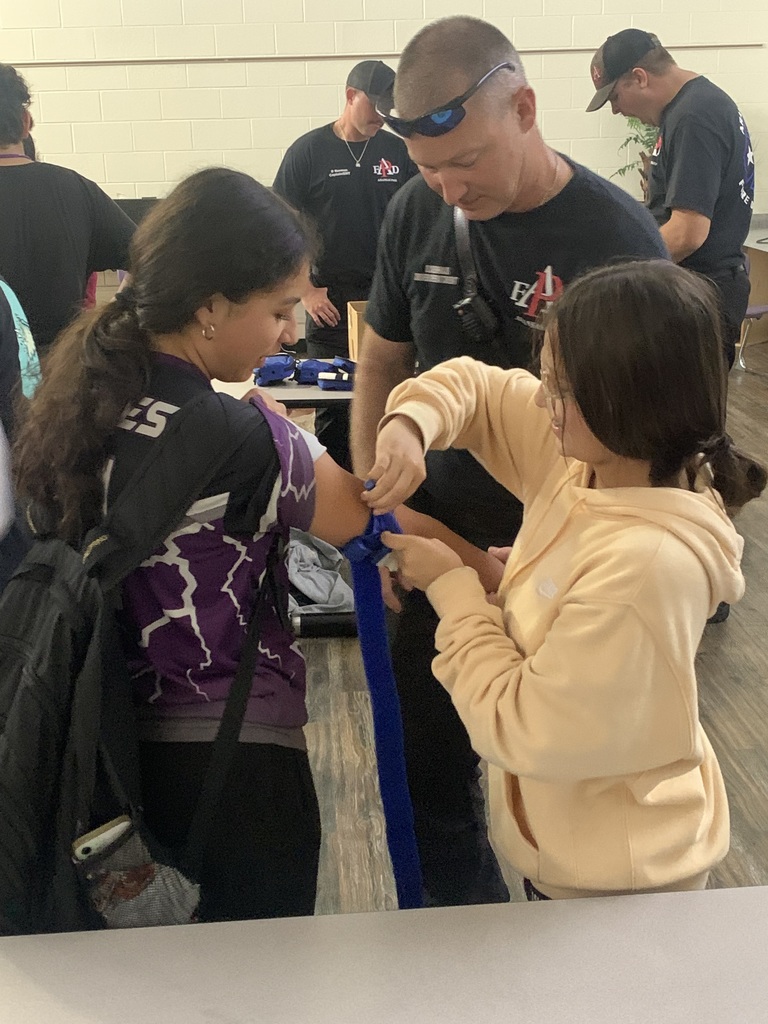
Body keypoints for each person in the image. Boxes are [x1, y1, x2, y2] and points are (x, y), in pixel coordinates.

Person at [12, 167, 503, 923]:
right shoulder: (244, 437)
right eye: (278, 309)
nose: (292, 331)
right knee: (258, 973)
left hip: (87, 746)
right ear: (210, 307)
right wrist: (485, 569)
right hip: (228, 757)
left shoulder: (75, 397)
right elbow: (378, 516)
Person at [350, 15, 668, 908]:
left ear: (526, 108)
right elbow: (384, 359)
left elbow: (646, 451)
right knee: (431, 775)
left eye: (469, 162)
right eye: (428, 170)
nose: (450, 189)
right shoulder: (419, 210)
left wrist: (528, 568)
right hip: (430, 529)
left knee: (564, 774)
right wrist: (384, 504)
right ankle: (464, 949)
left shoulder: (619, 236)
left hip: (575, 552)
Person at [363, 259, 767, 900]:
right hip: (570, 848)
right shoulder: (593, 463)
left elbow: (527, 726)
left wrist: (456, 589)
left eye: (563, 388)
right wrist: (411, 426)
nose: (545, 402)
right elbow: (481, 389)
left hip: (620, 880)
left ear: (632, 395)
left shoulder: (646, 566)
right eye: (547, 378)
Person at [273, 60, 418, 470]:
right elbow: (283, 225)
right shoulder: (309, 152)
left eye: (388, 109)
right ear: (350, 96)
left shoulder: (397, 151)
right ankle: (336, 491)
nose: (381, 117)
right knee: (336, 404)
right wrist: (304, 290)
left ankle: (387, 483)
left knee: (391, 397)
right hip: (329, 300)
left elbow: (418, 219)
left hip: (387, 297)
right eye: (374, 107)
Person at [586, 29, 754, 370]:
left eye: (615, 97)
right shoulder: (695, 106)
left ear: (639, 77)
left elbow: (687, 232)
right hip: (699, 289)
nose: (617, 111)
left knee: (680, 420)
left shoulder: (694, 117)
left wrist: (615, 273)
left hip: (699, 294)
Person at [0, 64, 135, 354]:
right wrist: (109, 318)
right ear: (25, 123)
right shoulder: (75, 188)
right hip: (60, 375)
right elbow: (154, 262)